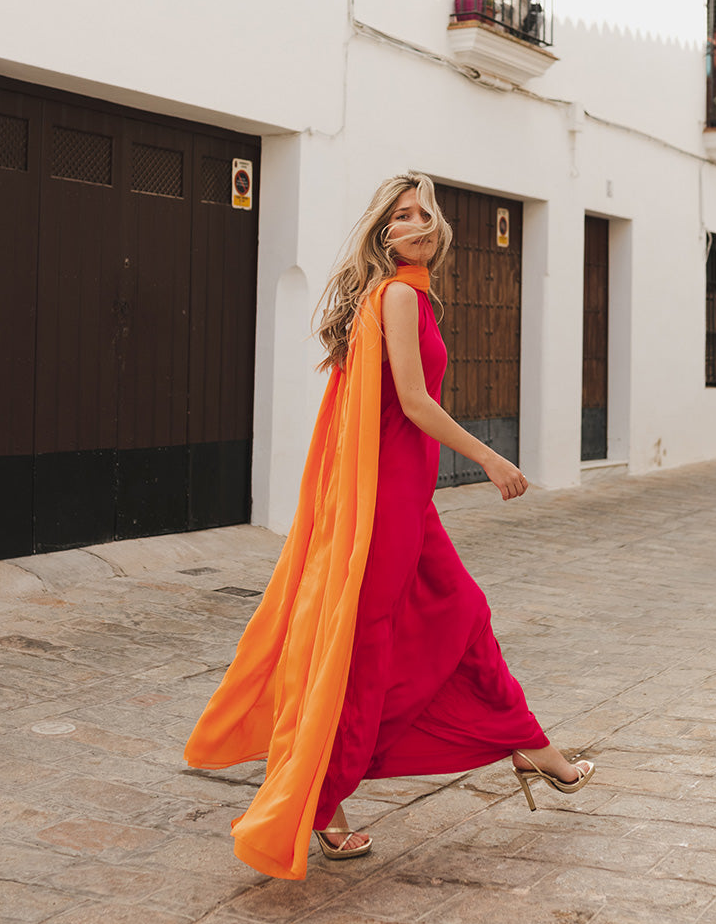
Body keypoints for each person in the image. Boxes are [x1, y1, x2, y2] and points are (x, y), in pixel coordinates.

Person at [184, 173, 593, 879]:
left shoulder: (407, 293)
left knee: (463, 615)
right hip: (385, 508)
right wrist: (491, 456)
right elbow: (412, 400)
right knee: (363, 652)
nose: (416, 221)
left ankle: (530, 746)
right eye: (401, 214)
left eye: (423, 211)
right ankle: (316, 802)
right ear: (384, 232)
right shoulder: (399, 295)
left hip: (407, 499)